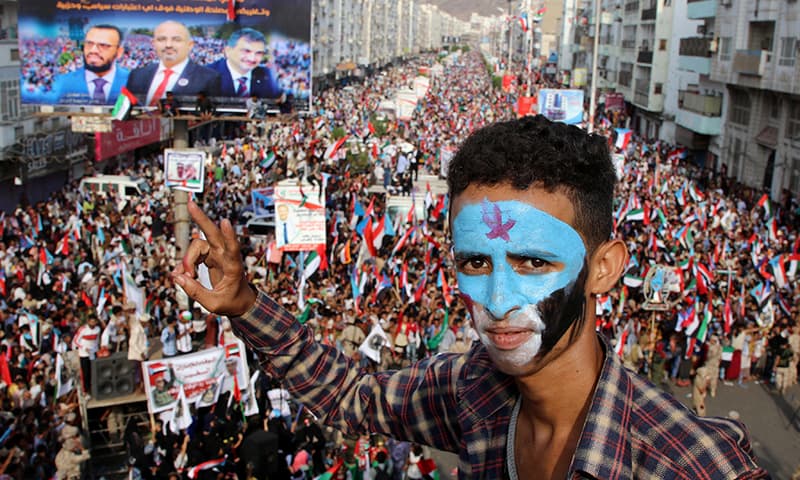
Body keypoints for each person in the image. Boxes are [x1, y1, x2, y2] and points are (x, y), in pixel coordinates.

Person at [172, 115, 767, 478]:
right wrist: (248, 304)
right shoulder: (473, 392)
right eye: (476, 262)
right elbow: (352, 396)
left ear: (604, 269)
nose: (500, 297)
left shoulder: (689, 464)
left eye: (535, 261)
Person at [126, 21, 221, 107]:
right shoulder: (137, 75)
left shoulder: (208, 78)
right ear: (153, 44)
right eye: (162, 39)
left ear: (190, 45)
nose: (168, 45)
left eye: (176, 40)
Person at [51, 25, 130, 105]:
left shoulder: (132, 83)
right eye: (89, 43)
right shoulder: (63, 82)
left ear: (119, 52)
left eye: (103, 45)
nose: (93, 50)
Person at [209, 28, 282, 99]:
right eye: (246, 51)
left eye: (259, 53)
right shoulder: (206, 74)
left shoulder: (268, 76)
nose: (252, 58)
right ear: (228, 51)